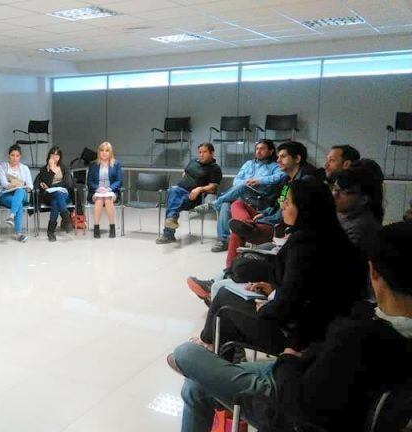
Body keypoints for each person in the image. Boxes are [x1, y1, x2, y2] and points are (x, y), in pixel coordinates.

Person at [168, 221, 412, 432]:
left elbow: (301, 405)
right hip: (309, 376)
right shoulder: (381, 327)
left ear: (374, 273)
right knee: (194, 386)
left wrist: (288, 360)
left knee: (185, 354)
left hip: (286, 403)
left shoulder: (360, 335)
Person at [189, 178, 366, 358]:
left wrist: (265, 308)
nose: (283, 207)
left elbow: (288, 303)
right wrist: (275, 287)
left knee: (225, 299)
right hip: (322, 329)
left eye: (288, 203)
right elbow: (305, 286)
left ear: (305, 207)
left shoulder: (305, 244)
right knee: (232, 289)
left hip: (298, 337)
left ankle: (211, 345)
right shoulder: (332, 235)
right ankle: (220, 351)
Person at [222, 141, 317, 269]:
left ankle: (229, 270)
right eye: (278, 157)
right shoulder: (287, 179)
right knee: (237, 204)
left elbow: (286, 214)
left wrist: (267, 218)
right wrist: (266, 212)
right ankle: (246, 225)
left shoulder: (306, 181)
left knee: (237, 233)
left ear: (297, 159)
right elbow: (280, 203)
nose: (278, 160)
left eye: (283, 157)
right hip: (272, 217)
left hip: (281, 227)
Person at [193, 140, 283, 252]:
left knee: (242, 187)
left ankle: (214, 204)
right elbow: (237, 180)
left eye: (262, 149)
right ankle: (223, 240)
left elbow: (280, 176)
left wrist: (260, 181)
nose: (258, 151)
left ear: (270, 151)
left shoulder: (275, 166)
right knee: (226, 204)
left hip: (260, 199)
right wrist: (245, 183)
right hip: (243, 195)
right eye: (257, 149)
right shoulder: (249, 164)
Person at [156, 143, 222, 244]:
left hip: (195, 197)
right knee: (172, 191)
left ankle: (168, 232)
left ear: (212, 153)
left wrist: (199, 189)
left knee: (172, 199)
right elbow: (185, 173)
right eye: (200, 152)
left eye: (204, 152)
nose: (201, 154)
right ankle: (171, 220)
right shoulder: (193, 162)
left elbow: (213, 187)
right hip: (180, 190)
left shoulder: (214, 168)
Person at [35, 146, 75, 242]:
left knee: (57, 197)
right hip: (48, 195)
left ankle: (51, 231)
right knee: (56, 198)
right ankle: (66, 218)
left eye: (57, 156)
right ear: (49, 156)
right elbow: (46, 184)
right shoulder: (44, 169)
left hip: (63, 193)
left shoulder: (64, 168)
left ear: (60, 157)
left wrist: (53, 186)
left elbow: (67, 183)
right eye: (52, 155)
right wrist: (51, 170)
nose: (54, 158)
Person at [0, 144, 32, 242]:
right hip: (5, 194)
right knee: (18, 204)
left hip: (21, 193)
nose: (15, 158)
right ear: (8, 155)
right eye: (12, 155)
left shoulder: (25, 168)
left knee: (20, 191)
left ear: (20, 156)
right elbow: (4, 184)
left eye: (17, 156)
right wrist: (14, 184)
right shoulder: (2, 167)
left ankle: (11, 216)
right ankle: (19, 234)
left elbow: (30, 185)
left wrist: (26, 187)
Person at [86, 141, 122, 238]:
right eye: (102, 150)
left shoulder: (116, 164)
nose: (104, 152)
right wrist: (97, 188)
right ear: (99, 152)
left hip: (111, 191)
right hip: (97, 191)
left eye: (107, 150)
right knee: (99, 200)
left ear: (110, 152)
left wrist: (109, 189)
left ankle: (112, 227)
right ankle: (96, 227)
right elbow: (89, 182)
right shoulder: (93, 165)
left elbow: (119, 181)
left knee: (107, 199)